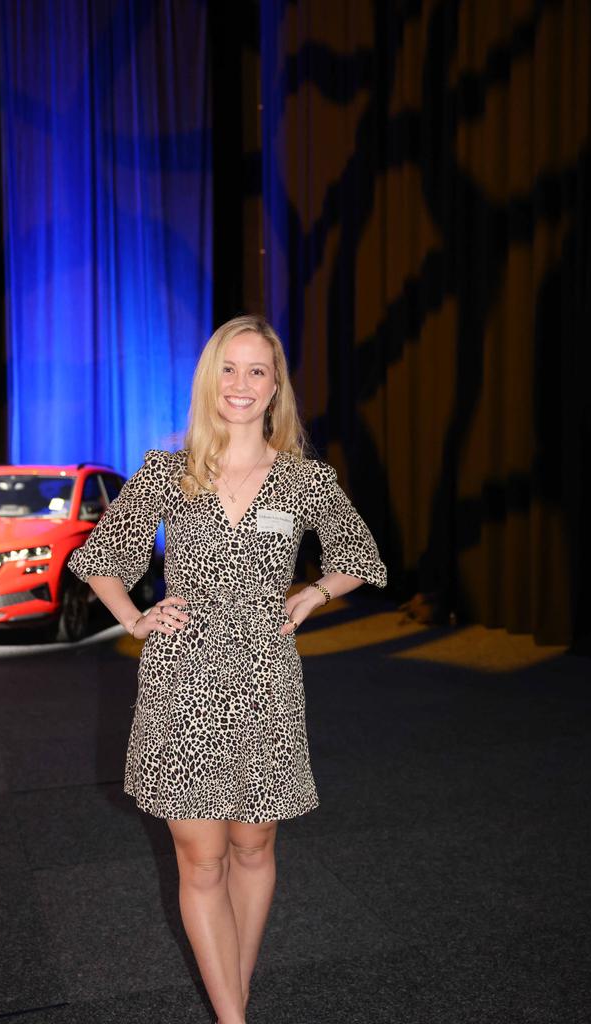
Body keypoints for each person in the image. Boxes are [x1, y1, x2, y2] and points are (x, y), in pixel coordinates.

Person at [67, 314, 387, 1024]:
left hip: (266, 680)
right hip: (181, 682)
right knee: (199, 854)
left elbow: (359, 556)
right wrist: (134, 617)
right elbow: (98, 559)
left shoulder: (305, 478)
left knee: (253, 845)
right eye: (229, 369)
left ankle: (230, 999)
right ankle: (234, 1020)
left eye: (257, 372)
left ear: (276, 390)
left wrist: (314, 590)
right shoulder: (166, 470)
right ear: (210, 380)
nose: (240, 384)